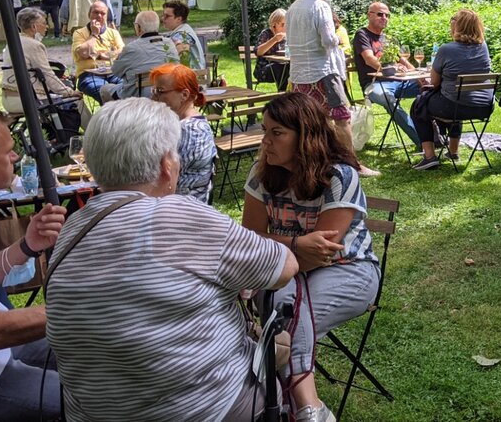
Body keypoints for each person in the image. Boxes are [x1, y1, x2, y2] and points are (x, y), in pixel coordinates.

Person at [45, 99, 298, 421]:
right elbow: (284, 266)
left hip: (95, 413)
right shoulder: (173, 213)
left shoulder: (73, 227)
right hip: (200, 409)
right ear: (167, 164)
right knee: (280, 345)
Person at [243, 93, 380, 422]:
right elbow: (250, 240)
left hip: (349, 272)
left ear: (305, 136)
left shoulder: (339, 177)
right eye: (265, 130)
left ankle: (286, 401)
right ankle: (308, 409)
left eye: (277, 133)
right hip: (286, 270)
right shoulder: (262, 174)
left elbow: (320, 254)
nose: (265, 141)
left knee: (280, 322)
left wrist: (279, 255)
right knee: (284, 315)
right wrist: (294, 243)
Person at [0, 107, 67, 420]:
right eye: (9, 151)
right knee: (92, 398)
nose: (15, 157)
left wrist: (27, 246)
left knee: (87, 348)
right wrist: (78, 309)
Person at [287, 0, 379, 177]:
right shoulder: (320, 6)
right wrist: (338, 39)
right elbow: (328, 40)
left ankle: (315, 160)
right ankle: (352, 164)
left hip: (299, 72)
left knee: (309, 119)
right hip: (323, 71)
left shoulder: (292, 8)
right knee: (341, 117)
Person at [410, 8, 493, 170]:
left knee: (419, 105)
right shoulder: (483, 47)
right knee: (455, 97)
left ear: (458, 26)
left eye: (453, 20)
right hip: (484, 107)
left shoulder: (446, 49)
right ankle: (453, 151)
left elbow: (434, 82)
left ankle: (429, 156)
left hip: (455, 107)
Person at [1, 8, 83, 143]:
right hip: (28, 99)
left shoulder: (13, 41)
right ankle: (86, 135)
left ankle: (57, 136)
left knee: (60, 97)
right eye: (44, 23)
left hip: (8, 98)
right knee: (76, 100)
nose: (47, 27)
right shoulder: (34, 45)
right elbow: (47, 74)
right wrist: (69, 92)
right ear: (34, 27)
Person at [353, 1, 422, 147]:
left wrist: (417, 75)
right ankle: (422, 141)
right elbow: (369, 60)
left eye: (387, 15)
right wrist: (393, 69)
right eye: (380, 14)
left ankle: (437, 136)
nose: (384, 17)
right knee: (388, 98)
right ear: (369, 15)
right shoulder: (362, 35)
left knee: (430, 88)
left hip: (397, 82)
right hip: (373, 84)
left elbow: (401, 59)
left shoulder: (388, 38)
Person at [149, 63, 216, 204]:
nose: (154, 97)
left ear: (184, 95)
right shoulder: (186, 123)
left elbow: (161, 176)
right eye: (154, 90)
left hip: (183, 211)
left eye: (160, 91)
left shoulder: (189, 131)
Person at [101, 10, 179, 101]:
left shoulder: (131, 48)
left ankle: (116, 115)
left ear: (138, 27)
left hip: (136, 96)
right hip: (167, 92)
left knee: (104, 89)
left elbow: (115, 71)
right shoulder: (169, 43)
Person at [71, 0, 124, 102]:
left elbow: (122, 52)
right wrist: (94, 34)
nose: (99, 16)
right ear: (89, 14)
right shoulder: (79, 33)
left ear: (106, 16)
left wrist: (99, 54)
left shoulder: (113, 33)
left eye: (103, 13)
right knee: (106, 94)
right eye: (95, 12)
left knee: (129, 88)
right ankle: (110, 115)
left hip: (113, 73)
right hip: (89, 75)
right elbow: (83, 53)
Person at [162, 0, 206, 70]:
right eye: (163, 15)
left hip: (191, 77)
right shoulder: (183, 30)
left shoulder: (182, 35)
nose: (163, 18)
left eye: (167, 16)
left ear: (179, 19)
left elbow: (181, 56)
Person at [255, 8, 290, 91]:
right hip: (263, 70)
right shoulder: (266, 34)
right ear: (274, 25)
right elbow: (258, 52)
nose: (285, 27)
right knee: (281, 68)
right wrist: (274, 39)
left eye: (287, 24)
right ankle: (282, 95)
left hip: (282, 65)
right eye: (282, 24)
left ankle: (291, 95)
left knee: (289, 67)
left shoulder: (286, 36)